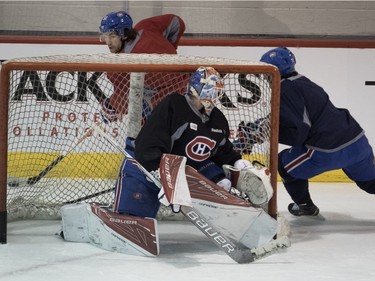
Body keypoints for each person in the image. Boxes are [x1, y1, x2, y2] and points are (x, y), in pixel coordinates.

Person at [113, 66, 273, 218]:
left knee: (221, 181)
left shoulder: (217, 120)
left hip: (184, 172)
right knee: (132, 215)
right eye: (213, 91)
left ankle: (231, 212)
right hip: (144, 166)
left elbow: (222, 151)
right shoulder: (174, 105)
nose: (214, 96)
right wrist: (165, 177)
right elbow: (147, 145)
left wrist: (238, 163)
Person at [259, 47, 375, 216]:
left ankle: (305, 206)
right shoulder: (303, 81)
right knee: (370, 184)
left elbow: (299, 132)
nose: (263, 75)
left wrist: (269, 133)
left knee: (283, 165)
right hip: (357, 142)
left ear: (274, 71)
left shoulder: (285, 89)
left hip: (327, 151)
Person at [98, 11, 188, 122]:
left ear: (124, 34)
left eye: (112, 36)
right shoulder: (145, 26)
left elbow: (122, 102)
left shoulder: (121, 65)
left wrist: (108, 109)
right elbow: (176, 22)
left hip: (166, 107)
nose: (108, 42)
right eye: (105, 36)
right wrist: (170, 48)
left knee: (144, 131)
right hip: (189, 90)